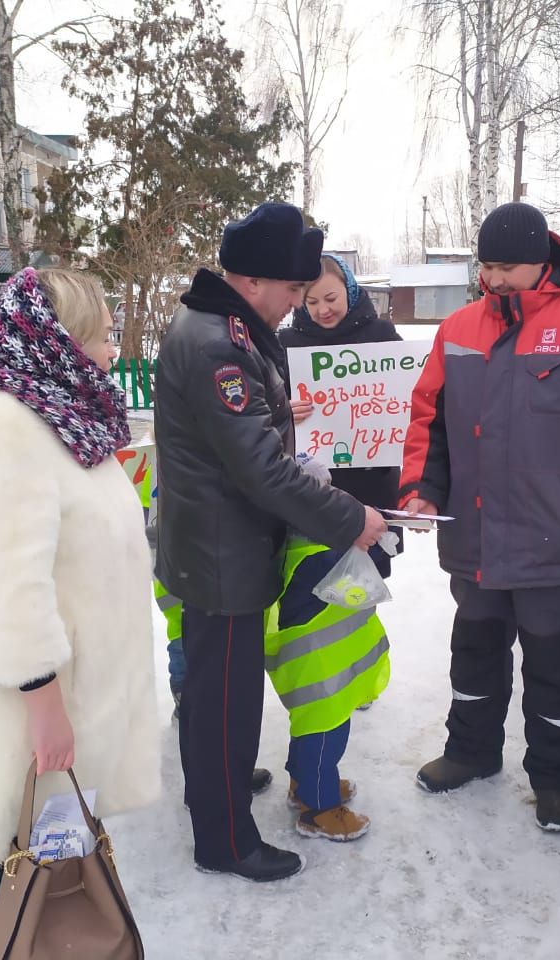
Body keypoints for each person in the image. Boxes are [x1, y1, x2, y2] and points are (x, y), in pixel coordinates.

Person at [0, 267, 159, 959]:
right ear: (57, 338)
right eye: (103, 335)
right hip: (28, 718)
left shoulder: (57, 412)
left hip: (64, 704)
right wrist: (44, 701)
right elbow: (4, 583)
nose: (114, 350)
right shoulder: (4, 428)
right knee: (19, 883)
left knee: (50, 878)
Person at [155, 201, 388, 883]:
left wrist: (282, 412)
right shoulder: (218, 343)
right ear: (256, 280)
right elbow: (259, 468)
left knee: (211, 697)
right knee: (226, 705)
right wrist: (351, 517)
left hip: (215, 547)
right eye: (291, 289)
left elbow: (230, 437)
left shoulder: (218, 329)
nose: (294, 304)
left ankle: (215, 789)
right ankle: (226, 841)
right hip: (223, 558)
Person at [401, 202, 560, 832]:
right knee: (475, 651)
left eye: (507, 266)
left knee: (553, 667)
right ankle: (471, 753)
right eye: (487, 266)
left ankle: (556, 781)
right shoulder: (457, 330)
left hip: (552, 542)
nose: (496, 278)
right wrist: (424, 490)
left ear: (542, 261)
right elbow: (428, 419)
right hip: (477, 540)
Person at [268, 453, 390, 842]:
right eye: (327, 493)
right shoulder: (319, 555)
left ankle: (302, 784)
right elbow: (360, 580)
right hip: (319, 674)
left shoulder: (302, 544)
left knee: (312, 735)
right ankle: (318, 810)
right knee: (324, 737)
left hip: (323, 670)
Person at [281, 254, 404, 578]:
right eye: (312, 301)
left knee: (365, 590)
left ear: (349, 290)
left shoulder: (382, 335)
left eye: (331, 298)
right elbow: (263, 407)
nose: (323, 309)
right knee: (310, 589)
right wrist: (284, 412)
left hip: (371, 486)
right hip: (311, 491)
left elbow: (409, 396)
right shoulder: (288, 345)